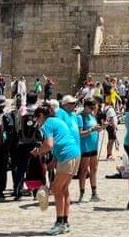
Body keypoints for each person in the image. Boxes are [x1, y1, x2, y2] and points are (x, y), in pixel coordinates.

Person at [36, 95, 81, 235]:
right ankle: (65, 222)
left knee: (56, 189)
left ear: (42, 115)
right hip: (75, 153)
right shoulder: (57, 121)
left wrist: (38, 152)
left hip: (67, 155)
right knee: (64, 190)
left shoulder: (47, 124)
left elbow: (49, 145)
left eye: (37, 118)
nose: (37, 121)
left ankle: (59, 222)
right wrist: (54, 161)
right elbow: (61, 139)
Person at [76, 98, 101, 202]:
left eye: (94, 108)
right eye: (91, 108)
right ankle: (82, 193)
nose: (93, 110)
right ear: (85, 106)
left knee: (94, 169)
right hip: (85, 147)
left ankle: (94, 193)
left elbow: (95, 128)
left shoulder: (92, 116)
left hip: (93, 146)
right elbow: (80, 134)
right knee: (83, 171)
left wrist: (101, 127)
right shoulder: (80, 117)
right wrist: (92, 130)